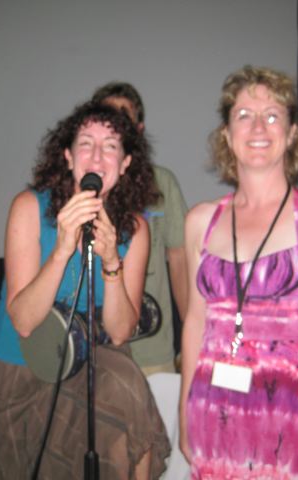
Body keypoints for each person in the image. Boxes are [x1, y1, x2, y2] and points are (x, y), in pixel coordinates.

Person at [0, 101, 171, 479]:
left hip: (83, 366)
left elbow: (120, 332)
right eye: (86, 143)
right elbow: (24, 322)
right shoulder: (29, 208)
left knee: (127, 398)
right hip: (18, 368)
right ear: (67, 156)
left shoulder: (135, 229)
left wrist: (111, 262)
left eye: (110, 146)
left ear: (125, 163)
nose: (97, 156)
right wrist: (62, 249)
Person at [179, 66, 298, 479]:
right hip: (215, 413)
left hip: (296, 419)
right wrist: (184, 412)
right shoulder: (200, 221)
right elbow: (194, 324)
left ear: (292, 133)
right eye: (244, 115)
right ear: (227, 135)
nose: (258, 127)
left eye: (272, 115)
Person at [92, 82, 189, 376]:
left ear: (139, 129)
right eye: (108, 116)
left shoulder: (162, 183)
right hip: (93, 347)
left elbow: (180, 262)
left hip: (152, 347)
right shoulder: (82, 184)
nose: (117, 125)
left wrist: (191, 334)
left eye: (125, 117)